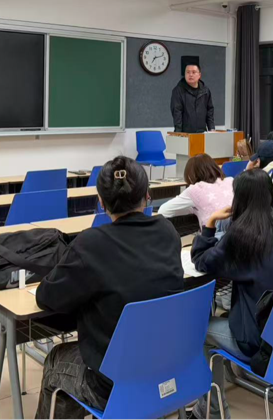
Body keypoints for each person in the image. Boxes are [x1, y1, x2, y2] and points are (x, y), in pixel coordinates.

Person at [35, 157, 183, 419]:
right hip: (167, 367)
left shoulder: (91, 244)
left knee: (57, 359)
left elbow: (47, 297)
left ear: (101, 202)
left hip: (113, 385)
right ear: (147, 196)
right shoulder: (168, 231)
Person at [190, 169, 273, 419]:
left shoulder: (243, 235)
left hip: (261, 340)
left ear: (240, 199)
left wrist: (210, 224)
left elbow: (202, 261)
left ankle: (212, 412)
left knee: (197, 332)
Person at [158, 153, 234, 232]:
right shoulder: (230, 180)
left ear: (191, 176)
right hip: (238, 230)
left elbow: (163, 211)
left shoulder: (195, 189)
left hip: (215, 234)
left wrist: (192, 208)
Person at [170, 63, 215, 133]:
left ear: (199, 75)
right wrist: (178, 133)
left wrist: (211, 128)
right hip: (185, 133)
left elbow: (210, 111)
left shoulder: (205, 91)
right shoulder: (178, 91)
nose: (190, 75)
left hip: (202, 133)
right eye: (188, 72)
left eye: (193, 72)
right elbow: (177, 113)